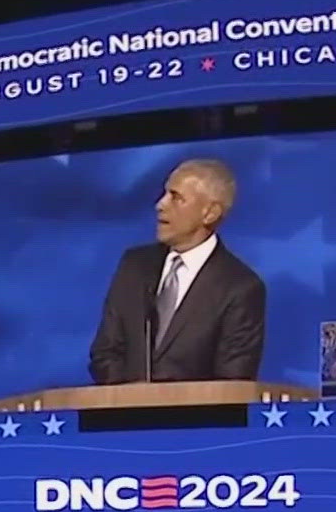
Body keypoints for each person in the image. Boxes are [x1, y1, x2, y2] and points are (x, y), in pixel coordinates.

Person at [88, 159, 266, 385]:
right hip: (127, 416)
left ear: (209, 213)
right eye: (164, 194)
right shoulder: (135, 265)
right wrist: (132, 404)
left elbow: (233, 380)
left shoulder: (240, 287)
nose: (160, 204)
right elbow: (105, 352)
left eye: (176, 197)